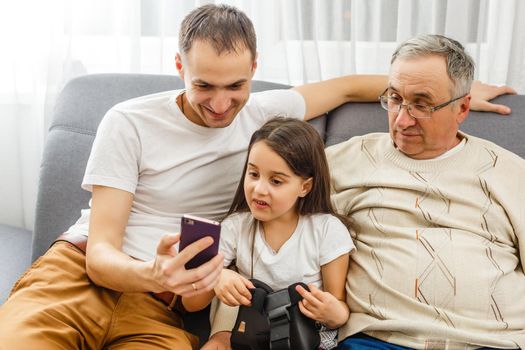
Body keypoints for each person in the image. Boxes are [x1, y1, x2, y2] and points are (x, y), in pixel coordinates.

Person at [0, 2, 515, 348]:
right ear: (177, 65)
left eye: (237, 86)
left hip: (163, 305)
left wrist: (440, 93)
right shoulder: (129, 120)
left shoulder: (264, 111)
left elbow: (341, 88)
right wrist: (155, 274)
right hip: (80, 274)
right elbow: (101, 253)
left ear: (255, 69)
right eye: (204, 85)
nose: (221, 105)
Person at [324, 34, 524, 349]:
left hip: (494, 341)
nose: (402, 120)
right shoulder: (342, 161)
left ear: (462, 107)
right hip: (379, 339)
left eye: (422, 104)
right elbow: (263, 222)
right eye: (394, 99)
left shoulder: (510, 172)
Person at [183, 117, 355, 349]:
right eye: (253, 174)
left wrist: (334, 313)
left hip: (303, 340)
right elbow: (190, 304)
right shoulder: (236, 228)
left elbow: (340, 307)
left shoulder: (326, 230)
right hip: (247, 338)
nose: (259, 189)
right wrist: (216, 277)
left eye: (276, 181)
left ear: (305, 186)